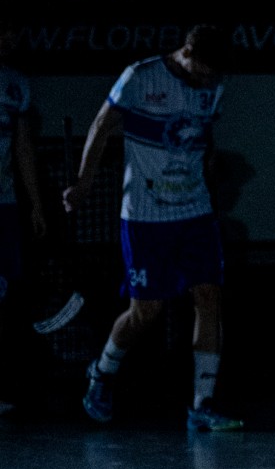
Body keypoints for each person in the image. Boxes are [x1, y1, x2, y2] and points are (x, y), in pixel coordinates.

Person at [68, 26, 240, 431]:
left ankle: (202, 403)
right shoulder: (140, 77)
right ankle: (103, 372)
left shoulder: (213, 85)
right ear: (187, 52)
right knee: (146, 311)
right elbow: (101, 126)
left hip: (195, 211)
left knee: (209, 296)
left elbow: (205, 138)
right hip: (146, 216)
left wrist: (213, 172)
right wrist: (83, 183)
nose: (208, 80)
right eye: (204, 71)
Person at [0, 47, 46, 416]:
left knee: (4, 293)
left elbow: (23, 148)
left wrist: (35, 203)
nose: (12, 38)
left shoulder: (16, 83)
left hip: (5, 204)